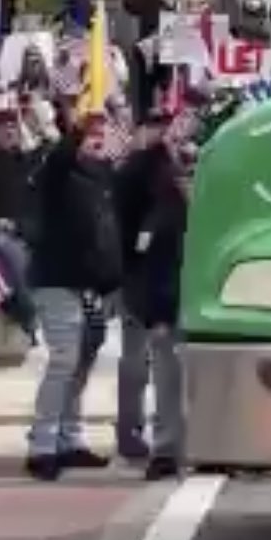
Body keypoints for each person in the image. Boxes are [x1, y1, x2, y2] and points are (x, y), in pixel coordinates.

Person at [25, 114, 124, 480]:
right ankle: (42, 444)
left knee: (82, 362)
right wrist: (76, 131)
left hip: (91, 284)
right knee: (64, 359)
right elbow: (60, 158)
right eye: (91, 136)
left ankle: (69, 439)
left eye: (102, 135)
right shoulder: (58, 173)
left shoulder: (102, 178)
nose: (98, 142)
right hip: (57, 279)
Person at [125, 140, 194, 479]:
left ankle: (184, 446)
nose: (188, 181)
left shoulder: (202, 214)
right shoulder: (165, 216)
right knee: (168, 381)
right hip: (172, 308)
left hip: (194, 308)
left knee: (179, 381)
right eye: (184, 174)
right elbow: (154, 268)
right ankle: (167, 449)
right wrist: (157, 313)